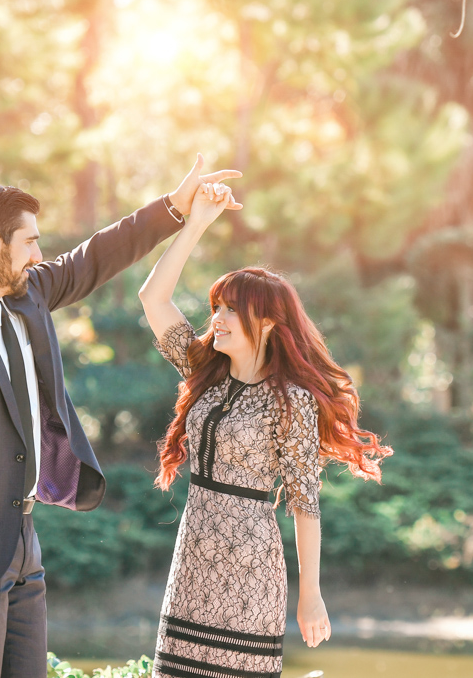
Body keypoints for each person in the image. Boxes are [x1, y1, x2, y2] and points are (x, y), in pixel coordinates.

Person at [0, 156, 240, 678]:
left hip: (23, 544)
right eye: (28, 242)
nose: (38, 254)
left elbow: (95, 256)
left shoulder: (28, 293)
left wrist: (174, 206)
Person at [138, 182, 392, 678]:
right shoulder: (202, 369)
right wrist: (196, 226)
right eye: (218, 306)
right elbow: (153, 296)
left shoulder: (292, 399)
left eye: (232, 309)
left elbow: (304, 500)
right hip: (191, 562)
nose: (219, 318)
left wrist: (311, 596)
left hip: (252, 569)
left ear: (270, 323)